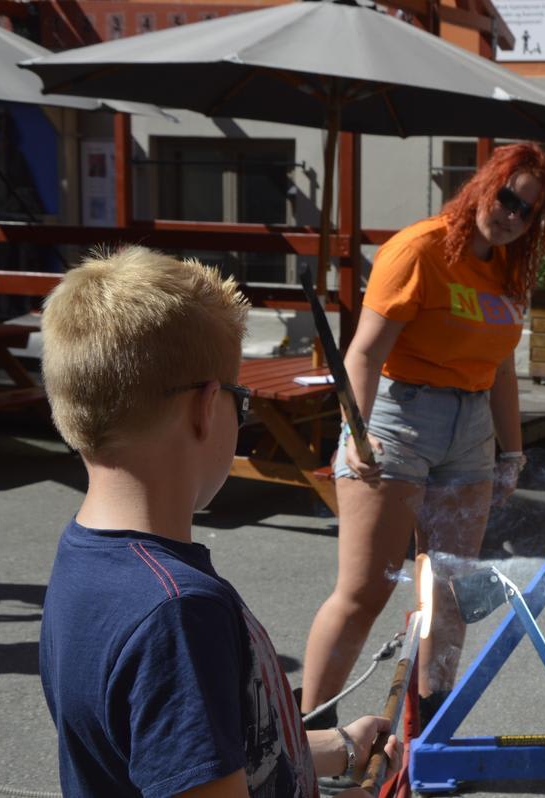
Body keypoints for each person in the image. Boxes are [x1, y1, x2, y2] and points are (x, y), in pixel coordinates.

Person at [38, 247, 399, 797]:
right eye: (241, 398)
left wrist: (338, 748)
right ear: (207, 407)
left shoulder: (89, 559)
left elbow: (184, 756)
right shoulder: (179, 614)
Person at [298, 142, 545, 727]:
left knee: (449, 594)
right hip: (399, 421)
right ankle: (308, 733)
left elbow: (500, 370)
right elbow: (364, 353)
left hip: (471, 432)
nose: (513, 215)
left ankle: (427, 737)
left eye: (528, 211)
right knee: (365, 591)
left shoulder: (509, 269)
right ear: (483, 186)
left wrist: (512, 453)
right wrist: (355, 433)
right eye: (508, 197)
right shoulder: (420, 249)